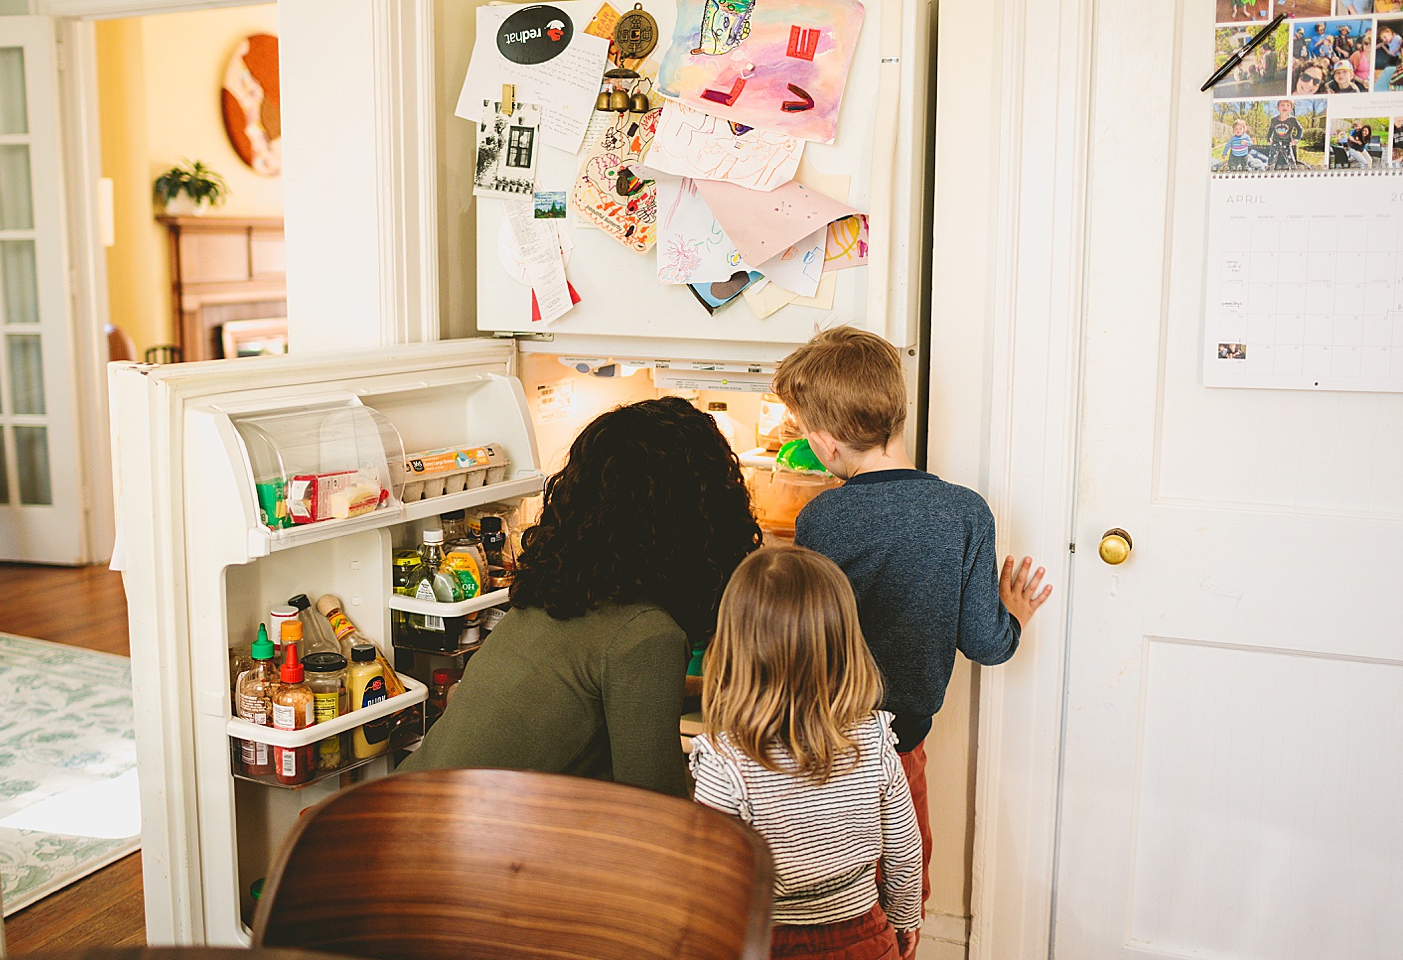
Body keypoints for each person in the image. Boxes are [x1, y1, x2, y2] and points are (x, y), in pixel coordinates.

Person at [772, 326, 1052, 918]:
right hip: (902, 746)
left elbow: (808, 634)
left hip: (825, 743)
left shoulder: (822, 518)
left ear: (822, 444)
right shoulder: (965, 511)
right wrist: (1015, 615)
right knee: (902, 880)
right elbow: (987, 644)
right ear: (897, 414)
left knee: (832, 884)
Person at [399, 396, 761, 796]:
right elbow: (655, 807)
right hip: (461, 844)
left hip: (403, 808)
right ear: (701, 515)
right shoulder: (647, 635)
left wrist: (713, 691)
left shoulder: (550, 597)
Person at [692, 546, 924, 960]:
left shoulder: (724, 762)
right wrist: (904, 920)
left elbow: (713, 882)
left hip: (767, 940)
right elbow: (904, 850)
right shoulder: (873, 738)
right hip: (864, 936)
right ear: (845, 644)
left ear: (735, 648)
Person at [1268, 100, 1303, 169]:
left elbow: (1300, 129)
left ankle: (1294, 173)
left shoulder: (1292, 120)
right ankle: (1269, 173)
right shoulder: (1274, 120)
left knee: (1291, 160)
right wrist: (1268, 137)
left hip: (1286, 142)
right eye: (1282, 105)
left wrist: (1297, 138)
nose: (1285, 107)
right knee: (1271, 160)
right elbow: (1271, 129)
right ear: (1278, 108)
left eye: (1287, 105)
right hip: (1275, 142)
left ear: (1291, 108)